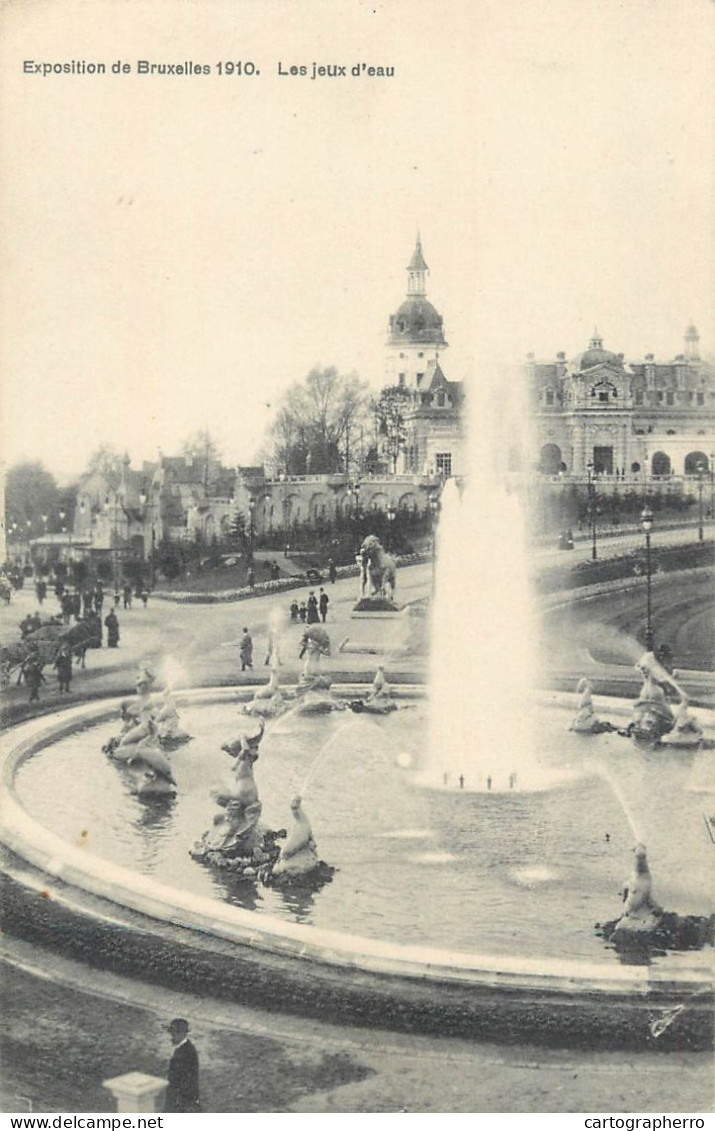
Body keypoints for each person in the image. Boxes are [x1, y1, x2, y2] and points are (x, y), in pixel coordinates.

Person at [164, 1018, 201, 1113]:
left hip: (181, 1101)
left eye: (174, 1034)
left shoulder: (184, 1053)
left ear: (182, 1034)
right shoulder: (186, 1049)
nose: (171, 1037)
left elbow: (186, 1081)